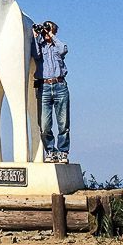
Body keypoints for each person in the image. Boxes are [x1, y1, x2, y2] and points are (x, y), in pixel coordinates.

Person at [32, 20, 70, 163]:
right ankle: (50, 151)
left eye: (49, 27)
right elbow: (35, 54)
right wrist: (36, 36)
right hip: (44, 87)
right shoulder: (40, 46)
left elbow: (63, 49)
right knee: (44, 125)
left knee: (63, 123)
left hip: (60, 85)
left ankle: (63, 152)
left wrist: (51, 34)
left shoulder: (57, 46)